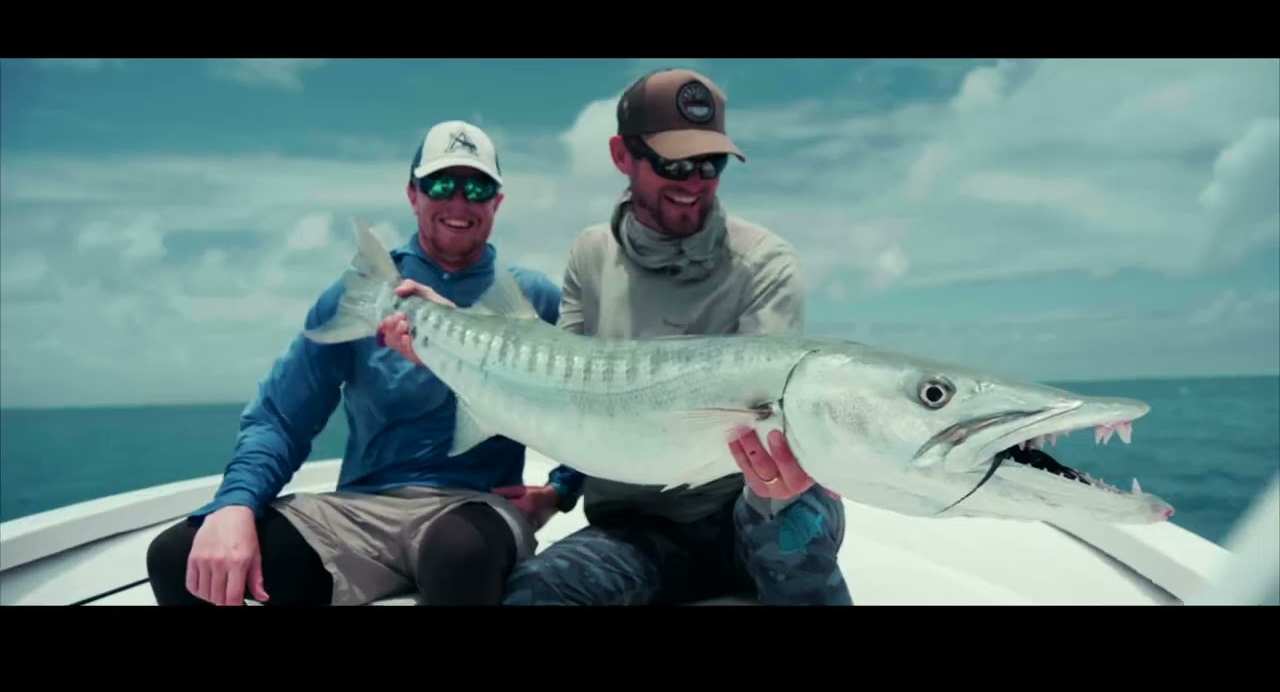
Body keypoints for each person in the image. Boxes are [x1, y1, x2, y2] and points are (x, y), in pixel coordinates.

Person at [379, 69, 851, 605]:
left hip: (755, 513)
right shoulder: (591, 255)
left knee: (793, 514)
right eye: (673, 163)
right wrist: (452, 328)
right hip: (638, 528)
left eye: (710, 164)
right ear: (622, 155)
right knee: (531, 596)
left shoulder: (766, 264)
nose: (693, 182)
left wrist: (788, 478)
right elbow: (567, 391)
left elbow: (768, 422)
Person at [144, 120, 577, 606]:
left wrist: (559, 491)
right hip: (362, 512)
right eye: (440, 185)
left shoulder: (533, 298)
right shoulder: (359, 297)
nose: (459, 202)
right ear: (413, 195)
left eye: (477, 188)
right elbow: (283, 418)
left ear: (497, 202)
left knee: (460, 554)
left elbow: (596, 404)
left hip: (475, 507)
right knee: (177, 557)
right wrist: (236, 502)